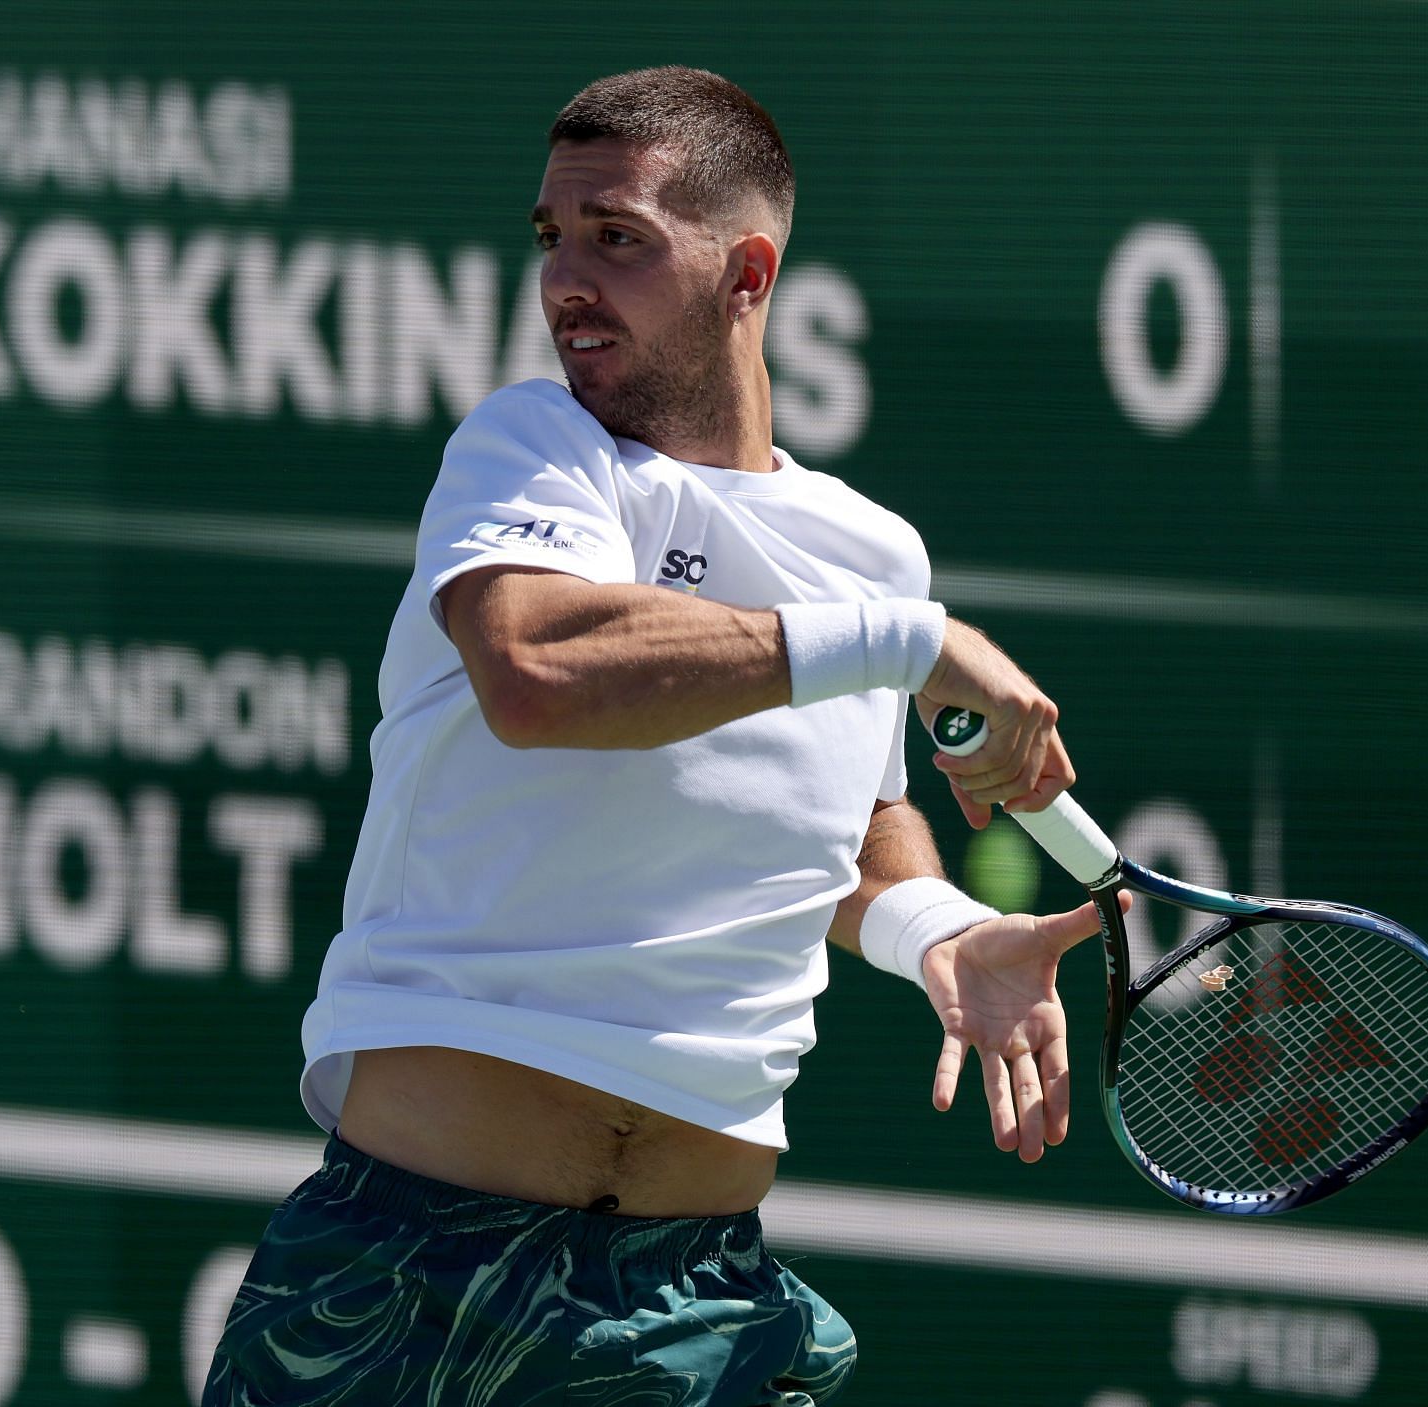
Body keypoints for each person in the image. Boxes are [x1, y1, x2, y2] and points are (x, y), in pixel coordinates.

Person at [204, 65, 1114, 1407]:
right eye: (550, 237)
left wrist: (943, 934)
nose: (566, 278)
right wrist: (905, 640)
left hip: (703, 1306)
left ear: (747, 274)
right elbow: (537, 673)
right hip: (414, 1276)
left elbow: (849, 826)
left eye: (616, 237)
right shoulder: (530, 452)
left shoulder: (872, 556)